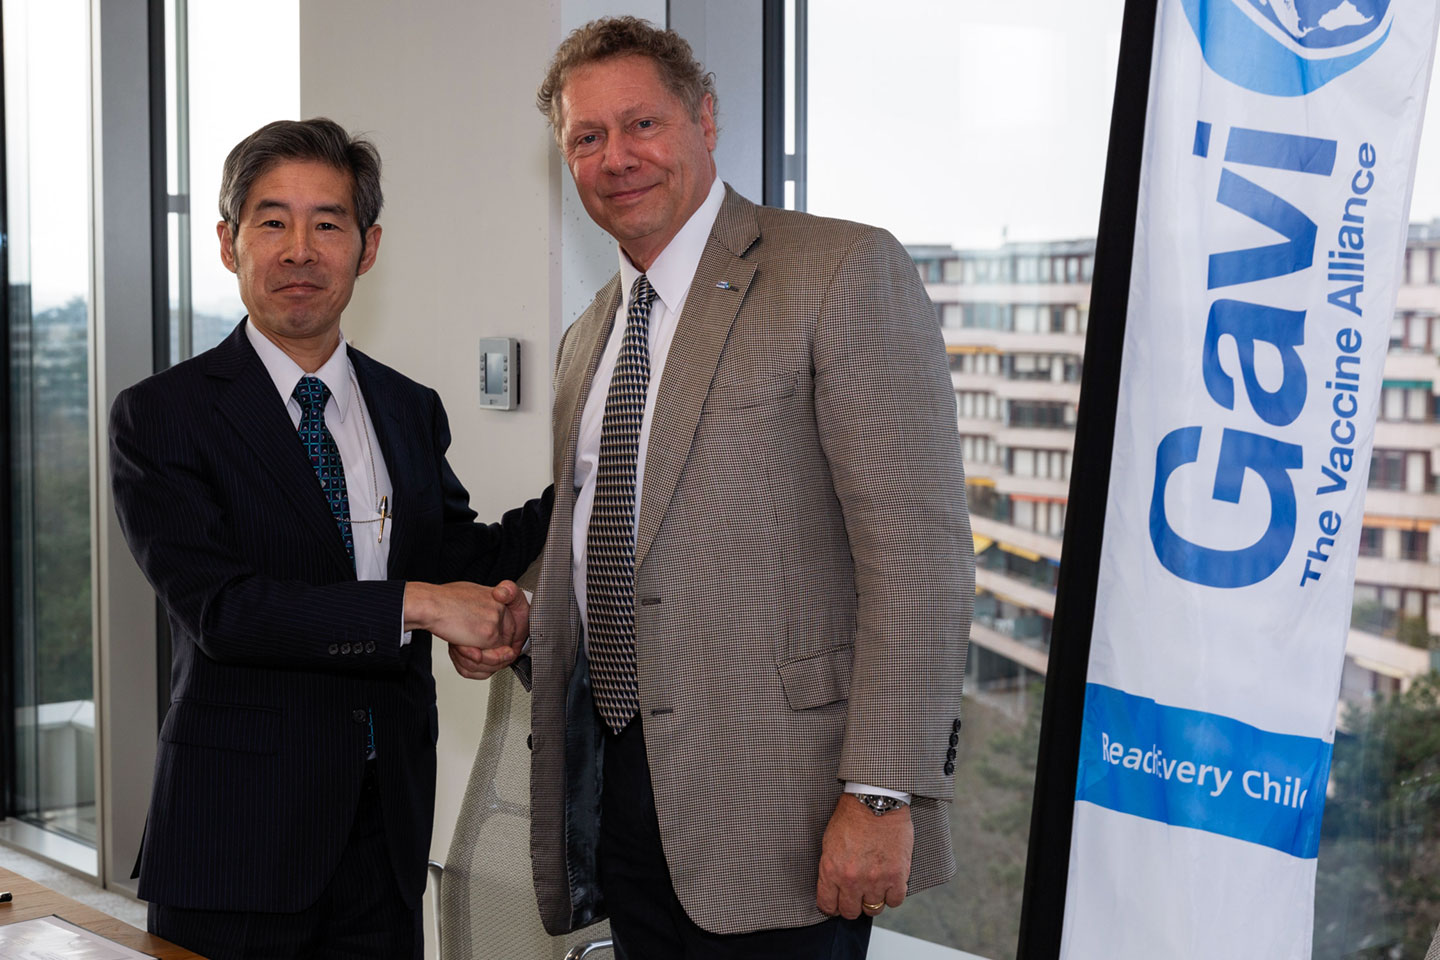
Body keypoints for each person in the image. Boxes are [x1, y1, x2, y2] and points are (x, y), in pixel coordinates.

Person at [455, 17, 973, 959]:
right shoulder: (589, 337)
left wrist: (884, 794)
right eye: (587, 137)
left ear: (705, 118)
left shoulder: (840, 272)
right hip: (618, 802)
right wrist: (535, 623)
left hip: (786, 812)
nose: (618, 157)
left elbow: (920, 559)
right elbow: (620, 545)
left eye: (641, 124)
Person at [109, 118, 550, 960]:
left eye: (329, 223)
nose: (299, 250)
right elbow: (226, 612)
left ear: (368, 246)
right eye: (272, 222)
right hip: (235, 840)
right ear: (228, 241)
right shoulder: (163, 415)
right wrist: (421, 607)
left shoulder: (406, 406)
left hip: (384, 835)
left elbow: (457, 556)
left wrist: (594, 485)